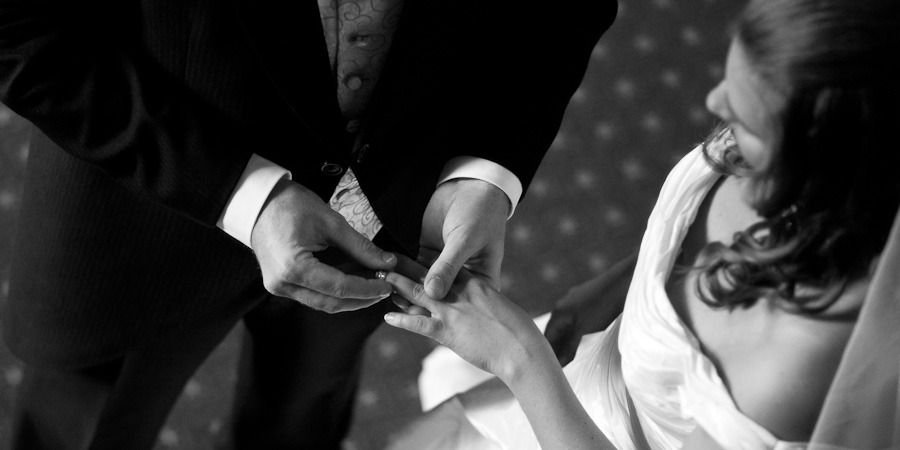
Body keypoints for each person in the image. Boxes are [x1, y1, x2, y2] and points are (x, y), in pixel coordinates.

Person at [0, 0, 617, 448]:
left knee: (299, 418)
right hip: (140, 204)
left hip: (394, 206)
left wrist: (486, 171)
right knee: (80, 425)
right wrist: (243, 193)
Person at [381, 0, 900, 448]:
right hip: (585, 371)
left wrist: (520, 357)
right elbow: (692, 245)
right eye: (730, 77)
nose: (715, 104)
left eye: (746, 116)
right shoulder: (769, 151)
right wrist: (599, 298)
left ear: (825, 160)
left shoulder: (792, 371)